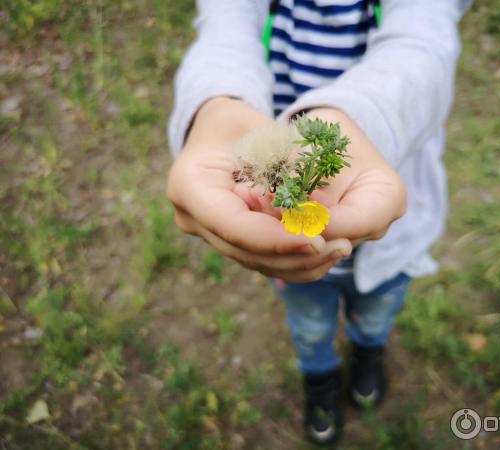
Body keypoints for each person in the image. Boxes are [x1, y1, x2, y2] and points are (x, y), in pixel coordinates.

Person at [167, 0, 471, 445]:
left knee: (378, 311)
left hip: (394, 244)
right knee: (309, 326)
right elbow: (224, 26)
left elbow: (424, 42)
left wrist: (359, 117)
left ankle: (369, 351)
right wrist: (215, 106)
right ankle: (320, 379)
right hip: (292, 246)